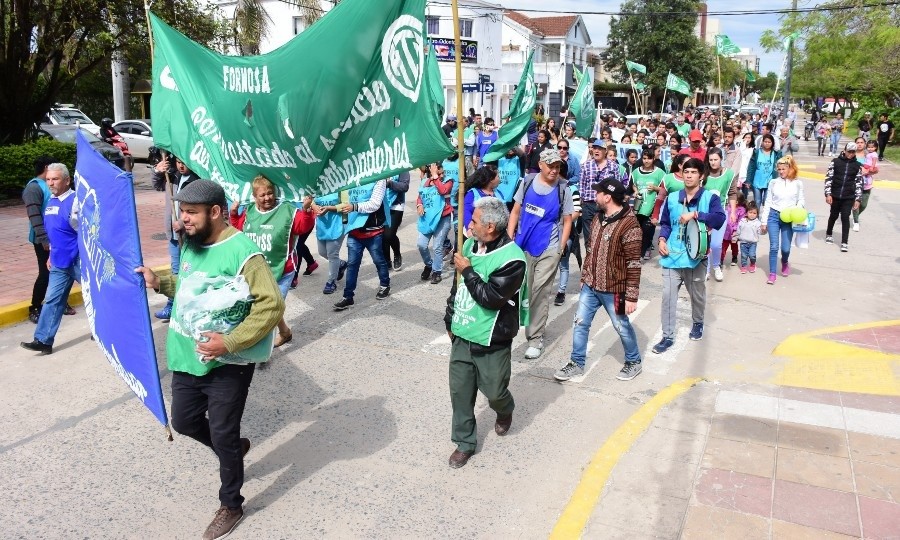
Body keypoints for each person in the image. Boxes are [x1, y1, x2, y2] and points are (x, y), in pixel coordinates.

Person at [135, 179, 284, 540]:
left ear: (215, 212)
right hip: (187, 357)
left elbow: (271, 303)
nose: (183, 219)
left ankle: (231, 503)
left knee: (223, 430)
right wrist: (161, 283)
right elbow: (189, 284)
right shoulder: (192, 244)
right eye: (181, 212)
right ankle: (233, 448)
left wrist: (230, 342)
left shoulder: (243, 252)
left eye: (191, 213)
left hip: (227, 365)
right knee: (184, 422)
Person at [444, 196, 527, 469]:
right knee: (460, 392)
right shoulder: (469, 244)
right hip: (463, 334)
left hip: (492, 340)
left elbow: (491, 297)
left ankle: (505, 410)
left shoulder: (513, 259)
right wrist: (450, 318)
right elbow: (458, 288)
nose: (470, 224)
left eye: (475, 221)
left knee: (494, 391)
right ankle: (465, 442)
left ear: (490, 227)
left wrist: (467, 271)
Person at [555, 178, 643, 382]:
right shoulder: (597, 217)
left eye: (597, 193)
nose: (594, 196)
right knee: (580, 322)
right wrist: (585, 274)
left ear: (607, 197)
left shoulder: (630, 225)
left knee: (621, 325)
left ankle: (634, 361)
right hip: (591, 286)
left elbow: (633, 264)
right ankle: (576, 363)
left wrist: (631, 297)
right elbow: (591, 249)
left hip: (616, 289)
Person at [653, 158, 726, 353]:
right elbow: (666, 224)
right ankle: (667, 336)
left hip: (696, 257)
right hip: (672, 256)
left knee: (697, 295)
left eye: (693, 172)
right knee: (668, 297)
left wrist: (695, 215)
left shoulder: (710, 198)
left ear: (701, 176)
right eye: (686, 172)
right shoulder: (672, 198)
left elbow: (719, 218)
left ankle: (698, 323)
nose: (689, 176)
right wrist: (661, 240)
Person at [507, 148, 574, 359]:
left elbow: (568, 220)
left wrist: (560, 249)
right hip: (523, 246)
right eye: (551, 166)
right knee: (522, 290)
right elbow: (515, 212)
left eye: (558, 167)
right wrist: (509, 242)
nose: (555, 170)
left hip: (549, 248)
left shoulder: (564, 188)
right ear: (541, 165)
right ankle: (508, 330)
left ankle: (535, 338)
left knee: (539, 292)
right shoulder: (527, 182)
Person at [228, 174, 305, 347]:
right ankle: (285, 332)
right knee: (268, 307)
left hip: (283, 269)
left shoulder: (287, 210)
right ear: (255, 197)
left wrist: (306, 211)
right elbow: (238, 230)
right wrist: (234, 214)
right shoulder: (249, 211)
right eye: (262, 195)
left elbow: (303, 226)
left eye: (270, 193)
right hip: (258, 271)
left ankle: (262, 350)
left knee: (269, 308)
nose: (267, 197)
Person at [21, 163, 80, 355]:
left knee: (97, 297)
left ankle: (107, 332)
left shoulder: (76, 202)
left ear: (67, 180)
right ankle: (44, 340)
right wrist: (51, 255)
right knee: (52, 300)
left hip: (79, 261)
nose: (50, 183)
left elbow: (87, 234)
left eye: (55, 179)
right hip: (58, 262)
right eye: (48, 179)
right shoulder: (52, 201)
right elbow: (54, 232)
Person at [151, 155, 199, 321]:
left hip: (189, 235)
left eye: (183, 163)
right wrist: (158, 171)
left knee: (191, 270)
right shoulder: (172, 177)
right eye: (178, 162)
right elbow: (156, 185)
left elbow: (197, 208)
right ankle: (172, 306)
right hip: (173, 235)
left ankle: (191, 304)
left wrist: (181, 222)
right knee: (176, 270)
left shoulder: (195, 181)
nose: (180, 166)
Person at [333, 178, 392, 310]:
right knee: (352, 264)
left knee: (379, 260)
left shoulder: (379, 178)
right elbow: (343, 200)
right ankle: (348, 297)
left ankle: (385, 285)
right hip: (354, 231)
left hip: (374, 232)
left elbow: (375, 204)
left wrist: (354, 207)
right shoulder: (352, 177)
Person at [22, 155, 57, 323]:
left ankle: (59, 302)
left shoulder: (50, 184)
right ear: (46, 167)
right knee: (45, 273)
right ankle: (35, 306)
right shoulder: (33, 188)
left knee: (61, 272)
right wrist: (44, 240)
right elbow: (34, 216)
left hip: (58, 237)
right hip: (43, 240)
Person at [760, 156, 805, 284]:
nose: (781, 171)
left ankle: (784, 262)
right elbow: (768, 201)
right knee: (774, 247)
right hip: (774, 216)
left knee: (785, 248)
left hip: (789, 218)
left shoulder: (797, 183)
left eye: (783, 169)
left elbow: (801, 199)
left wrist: (798, 208)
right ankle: (772, 273)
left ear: (790, 168)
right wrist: (764, 221)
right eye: (779, 169)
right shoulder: (773, 182)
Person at [704, 148, 738, 282]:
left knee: (716, 244)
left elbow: (732, 193)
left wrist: (733, 212)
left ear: (721, 159)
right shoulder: (703, 174)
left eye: (715, 159)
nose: (713, 162)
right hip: (705, 213)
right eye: (710, 160)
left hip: (720, 213)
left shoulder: (729, 174)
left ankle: (716, 266)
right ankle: (705, 268)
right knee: (706, 243)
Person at [417, 163, 454, 284]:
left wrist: (435, 177)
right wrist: (419, 205)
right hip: (427, 219)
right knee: (421, 245)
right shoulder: (425, 182)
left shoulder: (448, 181)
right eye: (439, 173)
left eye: (442, 173)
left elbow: (443, 191)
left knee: (437, 246)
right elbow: (420, 196)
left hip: (443, 219)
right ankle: (429, 265)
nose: (442, 175)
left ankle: (437, 272)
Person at [824, 142, 863, 252]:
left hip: (848, 196)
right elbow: (828, 178)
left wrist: (858, 198)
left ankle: (844, 242)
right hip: (835, 195)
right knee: (833, 215)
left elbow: (859, 183)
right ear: (844, 151)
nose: (850, 154)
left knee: (845, 217)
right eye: (849, 151)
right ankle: (829, 233)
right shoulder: (835, 162)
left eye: (853, 152)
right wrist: (828, 194)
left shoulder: (857, 165)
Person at [308, 191, 348, 295]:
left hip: (336, 225)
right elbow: (308, 198)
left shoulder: (341, 185)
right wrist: (313, 205)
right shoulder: (316, 184)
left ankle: (331, 282)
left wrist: (329, 208)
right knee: (322, 252)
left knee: (332, 254)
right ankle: (341, 264)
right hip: (322, 226)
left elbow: (346, 205)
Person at [580, 142, 621, 235]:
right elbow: (582, 185)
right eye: (594, 148)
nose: (596, 151)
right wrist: (581, 203)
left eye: (599, 148)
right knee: (589, 237)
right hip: (589, 204)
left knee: (603, 236)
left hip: (605, 205)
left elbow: (617, 185)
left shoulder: (613, 166)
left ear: (605, 151)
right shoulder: (586, 165)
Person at [631, 149, 665, 260]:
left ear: (653, 159)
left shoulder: (659, 173)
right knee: (637, 230)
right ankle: (638, 250)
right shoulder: (636, 171)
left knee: (648, 230)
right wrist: (635, 191)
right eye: (644, 158)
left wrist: (656, 188)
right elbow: (633, 184)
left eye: (649, 158)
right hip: (638, 206)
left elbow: (665, 189)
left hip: (652, 206)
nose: (646, 161)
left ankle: (644, 251)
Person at [381, 172, 411, 270]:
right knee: (381, 234)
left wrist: (389, 183)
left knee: (389, 234)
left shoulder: (402, 167)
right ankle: (386, 260)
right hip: (381, 204)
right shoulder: (381, 165)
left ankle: (397, 255)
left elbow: (404, 186)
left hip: (396, 205)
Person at [745, 134, 781, 207]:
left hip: (769, 181)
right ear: (762, 142)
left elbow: (781, 167)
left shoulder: (776, 154)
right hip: (757, 181)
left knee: (767, 201)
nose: (767, 144)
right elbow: (751, 167)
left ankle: (766, 217)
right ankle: (756, 217)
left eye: (769, 142)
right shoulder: (756, 152)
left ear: (772, 143)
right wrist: (748, 180)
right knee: (757, 201)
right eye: (765, 141)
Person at [853, 139, 879, 231]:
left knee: (863, 204)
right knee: (856, 202)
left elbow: (876, 170)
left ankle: (855, 214)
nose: (859, 144)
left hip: (867, 183)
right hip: (854, 183)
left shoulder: (869, 155)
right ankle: (856, 222)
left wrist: (868, 171)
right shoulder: (851, 154)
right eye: (858, 142)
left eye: (861, 143)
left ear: (865, 144)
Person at [737, 202, 762, 273]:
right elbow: (738, 230)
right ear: (746, 213)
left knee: (752, 255)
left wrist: (763, 230)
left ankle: (752, 264)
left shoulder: (758, 223)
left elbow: (760, 232)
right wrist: (736, 237)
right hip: (743, 242)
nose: (752, 215)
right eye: (750, 212)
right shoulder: (742, 221)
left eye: (754, 213)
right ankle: (744, 266)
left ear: (757, 214)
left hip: (753, 243)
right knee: (744, 256)